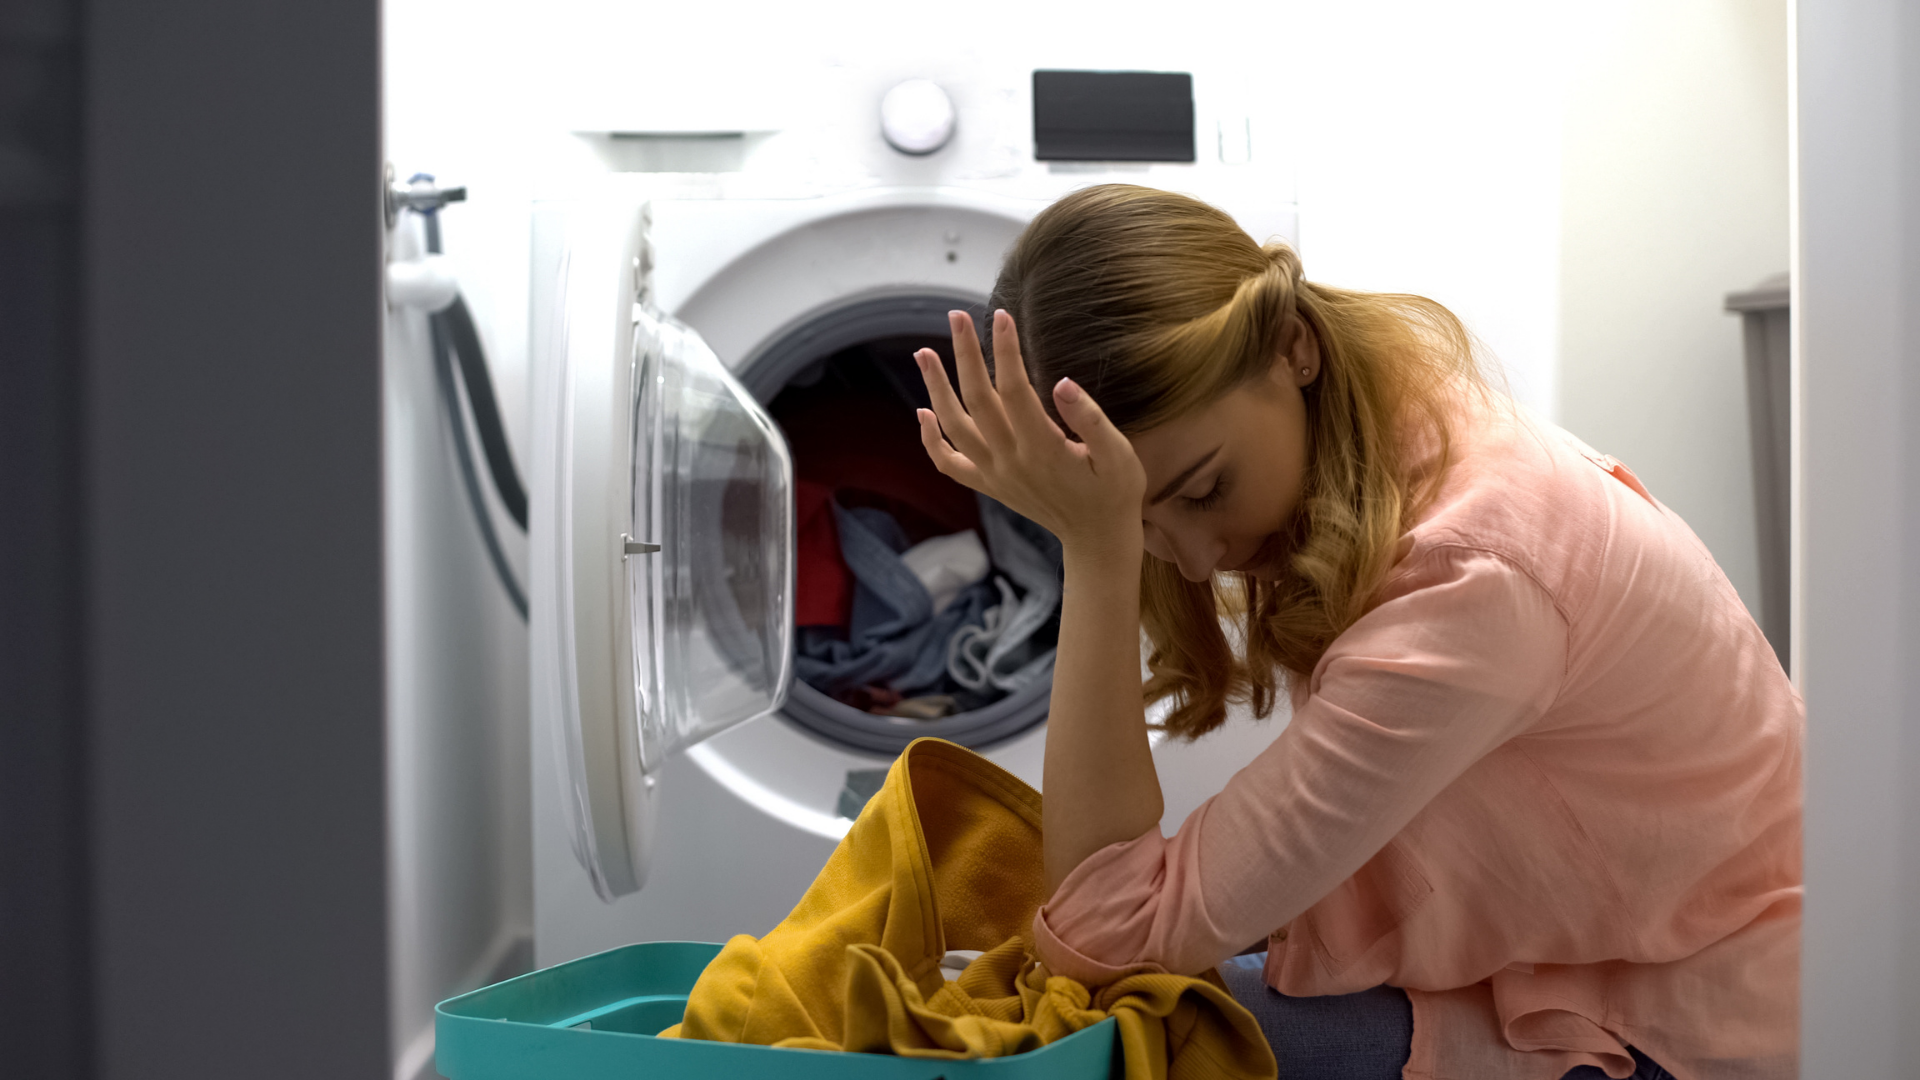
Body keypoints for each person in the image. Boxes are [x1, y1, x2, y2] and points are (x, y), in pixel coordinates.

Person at [909, 184, 1800, 1080]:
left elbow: (1115, 939)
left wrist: (1095, 552)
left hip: (1689, 1012)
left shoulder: (1470, 580)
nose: (1188, 560)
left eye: (1204, 491)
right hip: (1592, 950)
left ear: (1291, 348)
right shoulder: (1401, 425)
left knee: (1128, 1043)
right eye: (1139, 524)